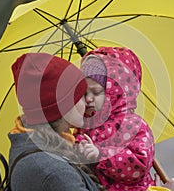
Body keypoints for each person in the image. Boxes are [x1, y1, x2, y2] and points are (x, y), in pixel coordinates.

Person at [74, 47, 174, 191]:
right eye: (85, 92)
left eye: (96, 92)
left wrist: (100, 154)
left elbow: (138, 165)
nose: (88, 98)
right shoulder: (88, 121)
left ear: (117, 92)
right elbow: (76, 139)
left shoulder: (134, 126)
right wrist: (80, 145)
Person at [8, 52, 104, 191]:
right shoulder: (55, 172)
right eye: (81, 95)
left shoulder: (32, 142)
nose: (88, 101)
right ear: (63, 106)